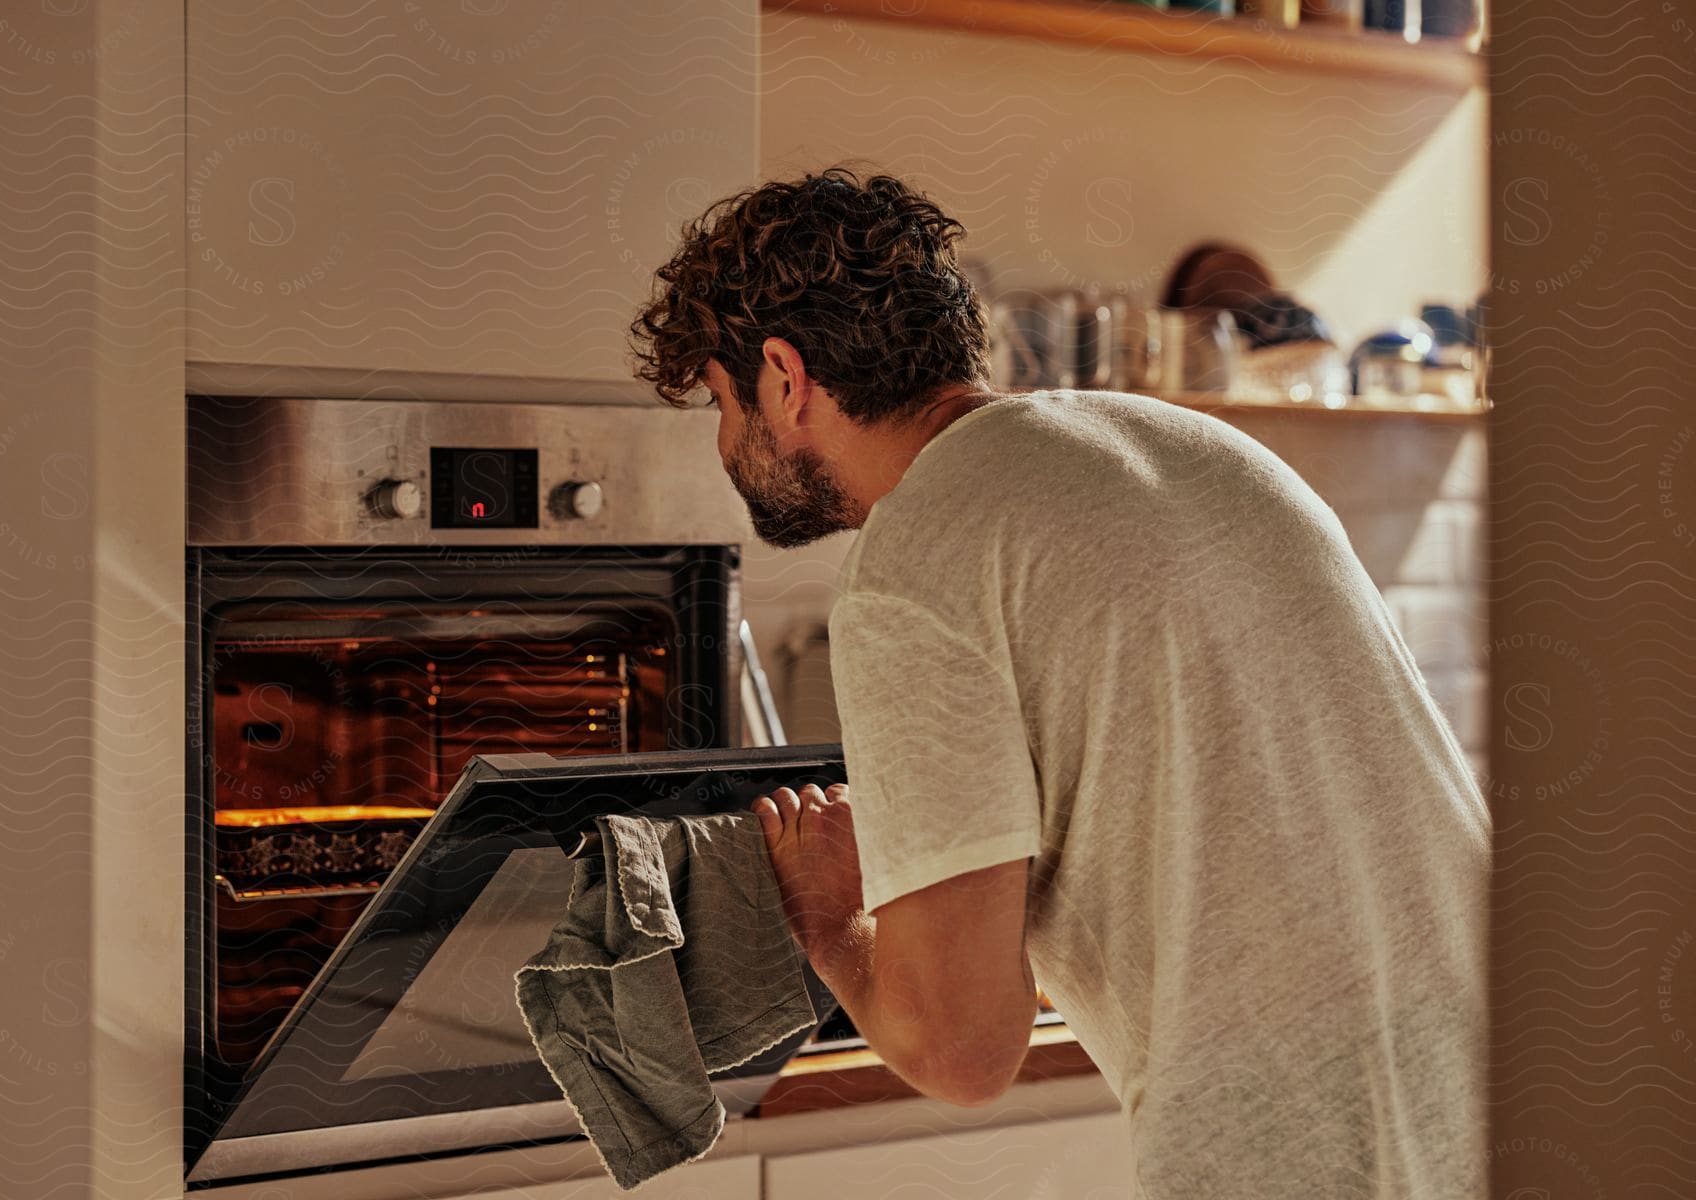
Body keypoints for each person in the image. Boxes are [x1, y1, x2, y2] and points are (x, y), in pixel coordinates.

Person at [628, 166, 1491, 1199]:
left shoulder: (919, 560)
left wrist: (827, 918)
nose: (728, 446)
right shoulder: (1200, 446)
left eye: (723, 406)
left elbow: (961, 1050)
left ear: (784, 374)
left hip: (1311, 1142)